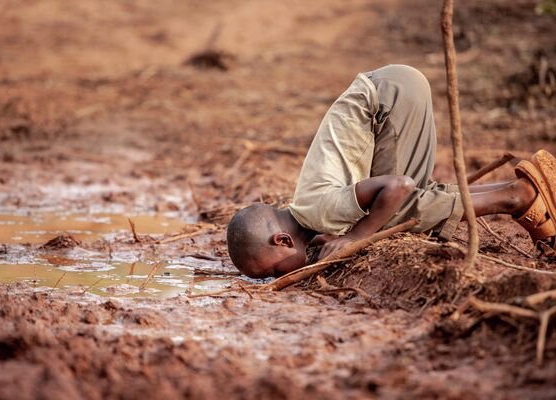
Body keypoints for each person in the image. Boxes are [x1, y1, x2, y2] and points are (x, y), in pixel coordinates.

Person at [227, 64, 556, 279]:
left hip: (387, 100)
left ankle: (519, 197)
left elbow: (398, 185)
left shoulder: (319, 213)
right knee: (402, 204)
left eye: (271, 272)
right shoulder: (310, 211)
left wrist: (356, 237)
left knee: (397, 210)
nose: (277, 278)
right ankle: (527, 186)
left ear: (282, 240)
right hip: (392, 87)